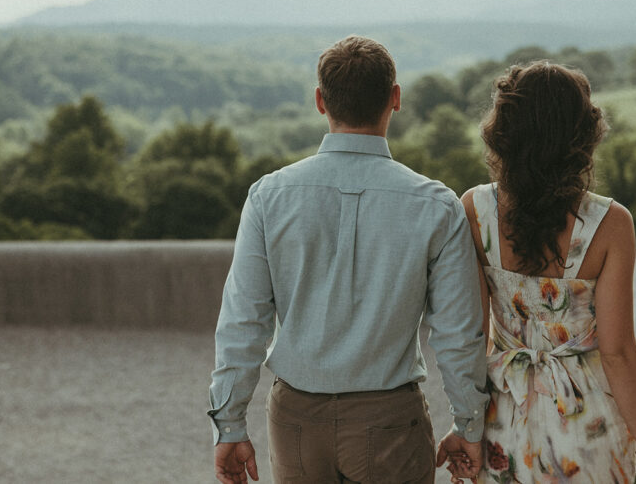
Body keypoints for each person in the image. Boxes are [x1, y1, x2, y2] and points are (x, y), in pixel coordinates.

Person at [209, 35, 489, 484]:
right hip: (391, 420)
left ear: (320, 101)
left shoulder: (268, 197)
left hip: (296, 420)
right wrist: (469, 425)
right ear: (395, 99)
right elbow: (457, 335)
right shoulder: (437, 205)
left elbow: (243, 321)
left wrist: (229, 424)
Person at [446, 61, 636, 483]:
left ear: (504, 133)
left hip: (502, 421)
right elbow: (617, 352)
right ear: (581, 136)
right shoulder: (611, 224)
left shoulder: (475, 209)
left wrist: (465, 428)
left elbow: (472, 338)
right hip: (588, 426)